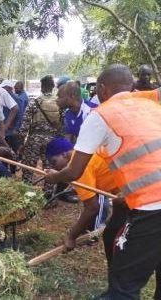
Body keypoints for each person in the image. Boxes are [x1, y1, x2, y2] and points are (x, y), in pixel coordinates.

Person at [45, 64, 161, 299]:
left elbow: (73, 172)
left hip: (152, 207)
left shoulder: (101, 115)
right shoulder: (149, 102)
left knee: (123, 288)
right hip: (141, 199)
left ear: (102, 88)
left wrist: (53, 176)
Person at [45, 138, 126, 267]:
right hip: (127, 190)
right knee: (112, 233)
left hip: (138, 192)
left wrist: (71, 237)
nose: (54, 167)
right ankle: (116, 278)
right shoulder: (82, 155)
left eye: (54, 162)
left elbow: (92, 208)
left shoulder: (79, 166)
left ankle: (118, 279)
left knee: (116, 237)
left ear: (65, 154)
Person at [21, 74, 63, 198]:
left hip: (34, 139)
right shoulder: (59, 103)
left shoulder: (35, 102)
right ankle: (48, 196)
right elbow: (62, 125)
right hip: (52, 141)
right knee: (49, 167)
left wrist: (22, 141)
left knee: (28, 167)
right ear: (53, 87)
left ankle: (26, 195)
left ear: (42, 87)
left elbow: (25, 124)